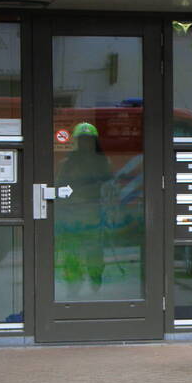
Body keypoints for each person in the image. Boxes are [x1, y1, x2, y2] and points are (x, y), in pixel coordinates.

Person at [55, 121, 113, 294]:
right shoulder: (67, 163)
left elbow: (109, 187)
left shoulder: (103, 162)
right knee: (72, 253)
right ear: (77, 141)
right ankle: (73, 287)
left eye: (89, 139)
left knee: (95, 254)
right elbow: (59, 188)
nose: (86, 143)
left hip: (94, 215)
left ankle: (96, 283)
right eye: (82, 139)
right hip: (72, 216)